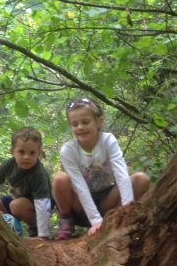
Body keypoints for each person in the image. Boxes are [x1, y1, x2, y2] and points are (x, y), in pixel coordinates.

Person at [52, 98, 150, 240]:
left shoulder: (108, 141)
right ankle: (66, 220)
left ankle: (119, 218)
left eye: (85, 122)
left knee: (141, 179)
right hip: (80, 206)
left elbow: (121, 174)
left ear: (99, 121)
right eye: (74, 124)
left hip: (107, 200)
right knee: (60, 178)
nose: (80, 127)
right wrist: (95, 220)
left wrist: (128, 208)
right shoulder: (68, 150)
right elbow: (79, 186)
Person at [0, 127, 54, 239]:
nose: (26, 157)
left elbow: (43, 204)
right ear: (12, 152)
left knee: (16, 206)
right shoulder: (7, 165)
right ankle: (1, 231)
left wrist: (43, 235)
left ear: (39, 153)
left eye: (32, 153)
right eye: (21, 152)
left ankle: (34, 227)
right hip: (17, 197)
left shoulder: (38, 174)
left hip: (39, 203)